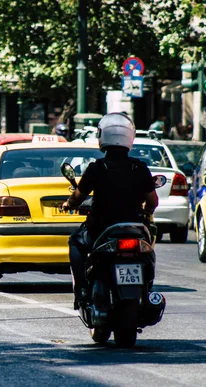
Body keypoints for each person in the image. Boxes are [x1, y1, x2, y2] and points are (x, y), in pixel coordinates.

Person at [62, 112, 159, 308]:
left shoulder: (97, 167)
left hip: (101, 226)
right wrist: (147, 211)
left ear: (102, 137)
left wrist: (69, 205)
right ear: (129, 137)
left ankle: (81, 288)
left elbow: (78, 197)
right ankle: (147, 290)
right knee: (147, 253)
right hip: (135, 226)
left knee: (75, 243)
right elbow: (153, 201)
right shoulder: (139, 167)